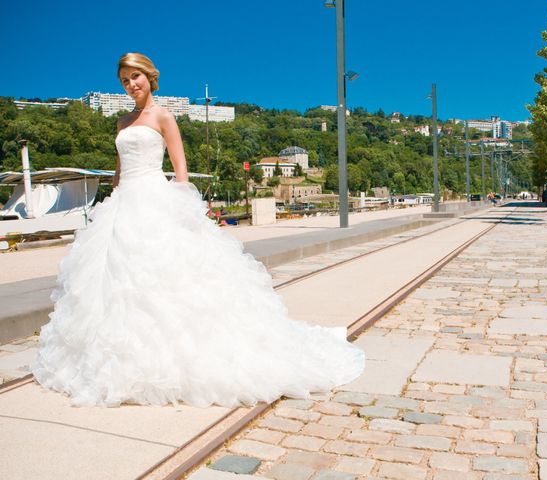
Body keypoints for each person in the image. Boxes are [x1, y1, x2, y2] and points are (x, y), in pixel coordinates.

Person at [31, 53, 365, 408]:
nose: (131, 85)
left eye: (135, 78)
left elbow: (180, 171)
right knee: (114, 283)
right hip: (123, 204)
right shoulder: (122, 122)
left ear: (149, 77)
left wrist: (180, 211)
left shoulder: (163, 117)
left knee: (166, 279)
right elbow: (118, 171)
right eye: (124, 81)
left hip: (154, 199)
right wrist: (108, 206)